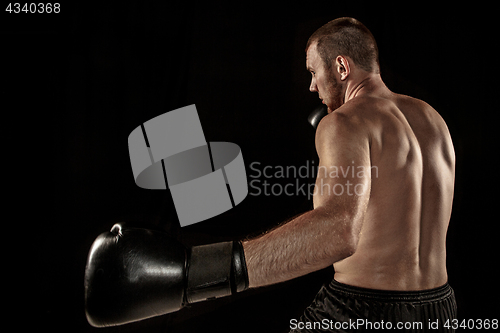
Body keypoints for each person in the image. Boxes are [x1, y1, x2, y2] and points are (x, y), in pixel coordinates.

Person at [242, 17, 457, 331]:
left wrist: (227, 267)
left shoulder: (344, 122)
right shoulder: (433, 118)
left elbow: (337, 231)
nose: (312, 86)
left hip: (365, 308)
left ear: (341, 67)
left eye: (314, 72)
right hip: (440, 307)